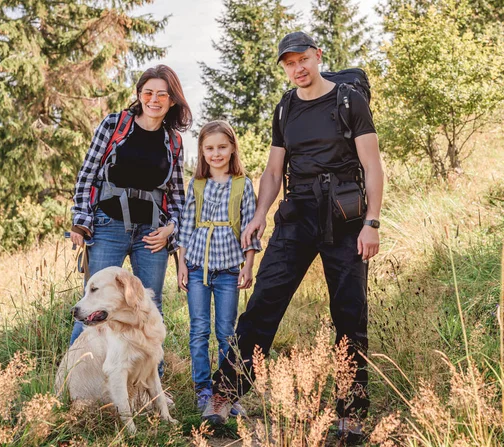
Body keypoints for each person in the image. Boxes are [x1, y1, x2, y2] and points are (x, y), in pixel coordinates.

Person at [202, 32, 384, 444]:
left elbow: (372, 165)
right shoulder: (285, 108)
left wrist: (372, 222)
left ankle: (350, 413)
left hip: (345, 216)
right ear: (284, 66)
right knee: (264, 302)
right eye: (289, 63)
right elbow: (271, 172)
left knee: (350, 313)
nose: (298, 68)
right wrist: (260, 215)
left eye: (303, 59)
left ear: (318, 56)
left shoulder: (349, 101)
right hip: (297, 213)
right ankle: (224, 395)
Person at [69, 65, 193, 373]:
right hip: (108, 226)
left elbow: (178, 196)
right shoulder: (115, 124)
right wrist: (80, 220)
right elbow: (87, 173)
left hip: (152, 234)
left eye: (162, 94)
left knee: (148, 306)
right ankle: (74, 377)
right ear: (139, 95)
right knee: (93, 306)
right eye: (148, 92)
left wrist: (171, 230)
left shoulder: (173, 141)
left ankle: (151, 388)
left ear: (172, 100)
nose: (154, 99)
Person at [177, 121, 261, 415]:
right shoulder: (197, 184)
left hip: (228, 271)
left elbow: (251, 228)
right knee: (199, 330)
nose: (216, 153)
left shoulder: (243, 183)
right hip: (198, 267)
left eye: (222, 147)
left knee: (226, 332)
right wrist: (181, 266)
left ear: (232, 148)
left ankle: (227, 391)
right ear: (201, 151)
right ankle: (202, 388)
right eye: (210, 148)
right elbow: (186, 227)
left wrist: (248, 266)